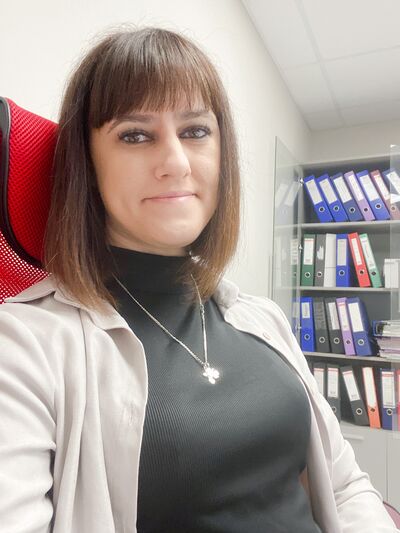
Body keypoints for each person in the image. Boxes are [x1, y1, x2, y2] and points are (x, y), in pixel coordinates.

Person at [0, 25, 397, 533]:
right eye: (135, 135)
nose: (175, 162)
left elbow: (344, 486)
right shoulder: (25, 344)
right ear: (87, 163)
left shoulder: (264, 318)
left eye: (194, 131)